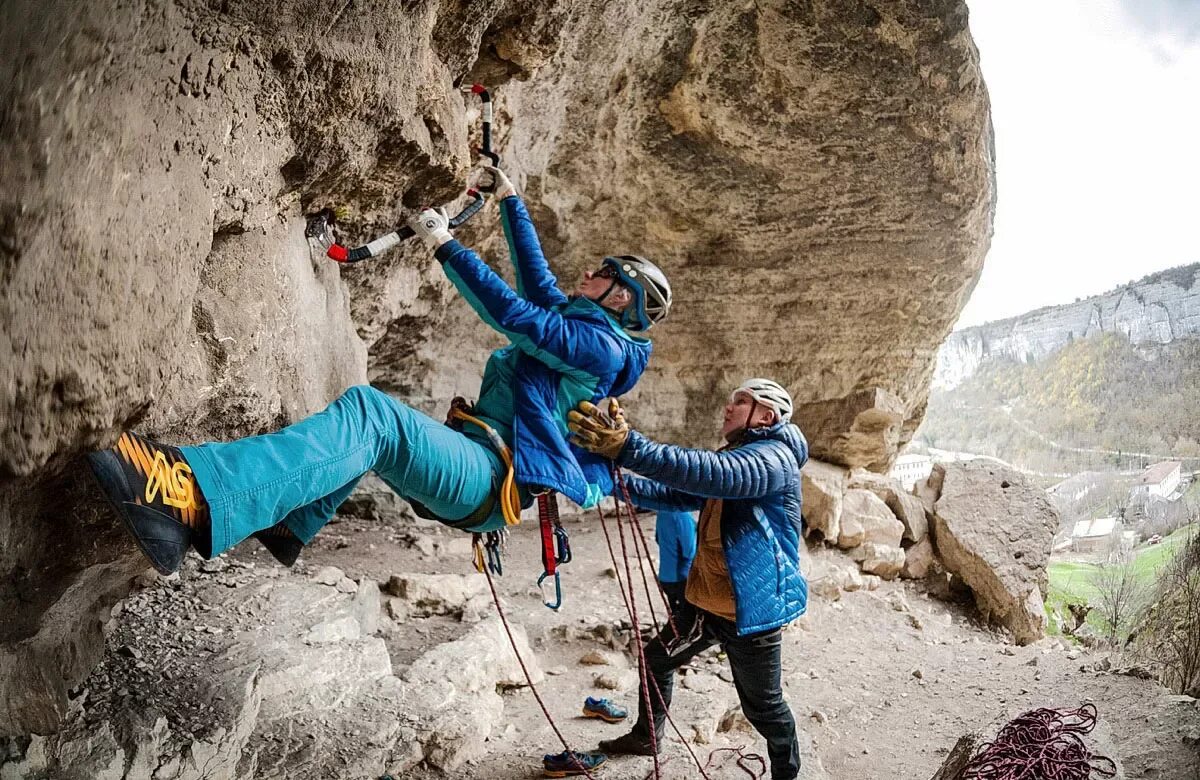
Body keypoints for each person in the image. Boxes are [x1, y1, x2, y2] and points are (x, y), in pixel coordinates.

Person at [86, 163, 673, 575]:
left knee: (372, 416)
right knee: (368, 423)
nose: (588, 275)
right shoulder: (591, 329)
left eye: (603, 274)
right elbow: (540, 286)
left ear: (621, 298)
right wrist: (511, 202)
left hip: (492, 479)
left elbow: (521, 318)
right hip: (483, 463)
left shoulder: (605, 351)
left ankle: (187, 499)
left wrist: (447, 245)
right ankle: (291, 518)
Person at [568, 378, 808, 780]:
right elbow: (679, 495)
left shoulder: (773, 460)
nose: (728, 408)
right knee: (656, 659)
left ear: (767, 415)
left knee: (763, 708)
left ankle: (787, 774)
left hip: (751, 611)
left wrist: (629, 447)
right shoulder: (741, 455)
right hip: (707, 602)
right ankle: (647, 737)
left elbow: (709, 473)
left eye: (741, 402)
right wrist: (615, 483)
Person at [653, 509, 697, 611]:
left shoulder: (662, 511)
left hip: (665, 577)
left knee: (677, 616)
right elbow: (689, 552)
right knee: (690, 618)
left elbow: (658, 539)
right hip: (682, 578)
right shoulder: (682, 515)